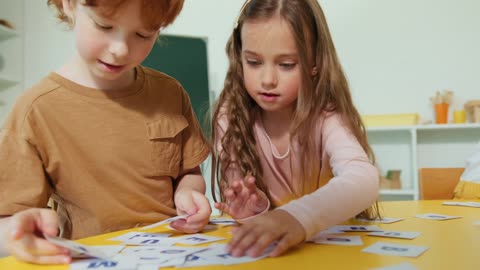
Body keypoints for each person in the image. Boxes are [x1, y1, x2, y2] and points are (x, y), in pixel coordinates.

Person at [0, 0, 211, 264]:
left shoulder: (170, 93)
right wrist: (15, 232)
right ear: (69, 5)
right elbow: (6, 225)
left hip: (178, 255)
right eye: (104, 25)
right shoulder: (34, 111)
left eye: (143, 34)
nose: (120, 50)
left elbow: (188, 172)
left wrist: (189, 192)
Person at [210, 0, 380, 258]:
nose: (267, 80)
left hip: (331, 253)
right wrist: (253, 210)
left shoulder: (326, 116)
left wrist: (297, 217)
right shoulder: (230, 117)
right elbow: (250, 211)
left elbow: (364, 179)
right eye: (254, 62)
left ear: (315, 63)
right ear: (239, 58)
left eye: (286, 64)